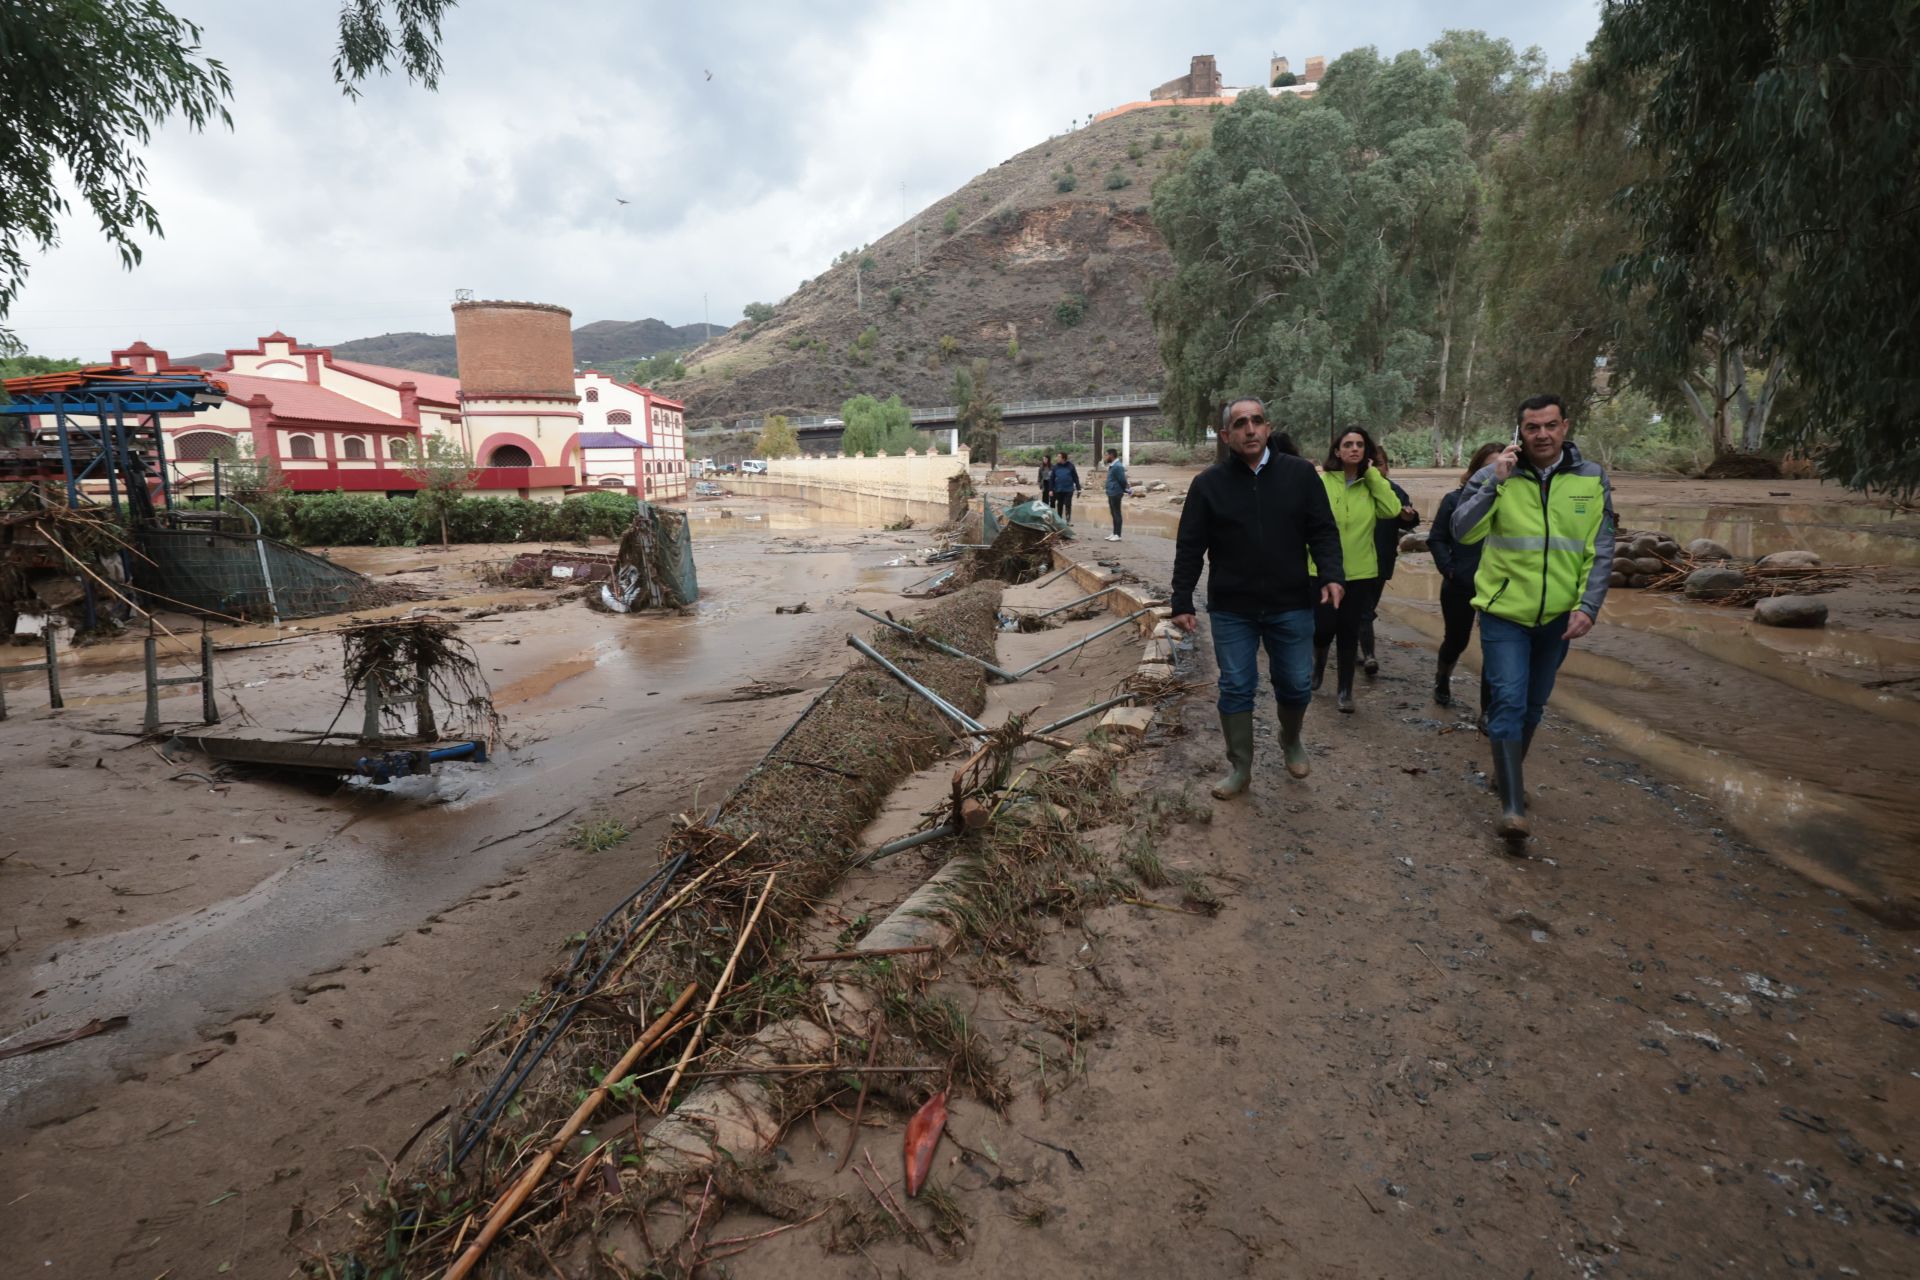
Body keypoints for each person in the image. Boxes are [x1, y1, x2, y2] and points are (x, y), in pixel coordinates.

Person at [1452, 394, 1615, 841]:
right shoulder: (1494, 475)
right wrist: (1496, 484)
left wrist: (1589, 606)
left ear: (1566, 426)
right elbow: (1462, 532)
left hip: (1558, 618)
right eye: (1531, 428)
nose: (1541, 434)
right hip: (1504, 613)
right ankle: (1511, 807)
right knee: (1507, 698)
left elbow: (1599, 550)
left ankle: (1508, 774)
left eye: (1549, 426)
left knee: (1534, 703)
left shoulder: (1592, 478)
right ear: (1518, 433)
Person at [1170, 398, 1343, 796]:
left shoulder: (1300, 475)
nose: (1250, 429)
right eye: (1240, 423)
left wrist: (1332, 574)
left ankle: (1291, 738)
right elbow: (1190, 546)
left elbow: (1322, 530)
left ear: (1268, 427)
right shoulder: (1208, 485)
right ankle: (1241, 769)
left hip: (1292, 603)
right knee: (1235, 686)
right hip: (1233, 607)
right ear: (1227, 435)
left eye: (1257, 421)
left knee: (1297, 684)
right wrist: (1182, 599)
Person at [1310, 427, 1403, 713]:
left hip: (1360, 572)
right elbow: (1306, 523)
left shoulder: (1371, 485)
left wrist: (1373, 474)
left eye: (1360, 445)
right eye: (1347, 444)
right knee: (1323, 629)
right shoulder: (1321, 483)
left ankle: (1345, 691)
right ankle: (1318, 668)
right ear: (1337, 451)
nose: (1354, 449)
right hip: (1322, 571)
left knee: (1349, 631)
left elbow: (1392, 510)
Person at [1427, 441, 1504, 713]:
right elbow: (1436, 539)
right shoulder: (1453, 500)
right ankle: (1442, 678)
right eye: (1488, 467)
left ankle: (1487, 711)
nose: (1494, 473)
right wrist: (1450, 569)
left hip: (1498, 589)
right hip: (1460, 584)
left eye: (1500, 466)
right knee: (1457, 640)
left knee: (1494, 649)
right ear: (1475, 470)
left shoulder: (1512, 502)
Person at [1358, 445, 1420, 675]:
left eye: (1381, 463)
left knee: (1367, 606)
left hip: (1382, 560)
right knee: (1363, 609)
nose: (1376, 468)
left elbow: (1410, 519)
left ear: (1387, 467)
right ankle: (1370, 655)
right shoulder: (1355, 489)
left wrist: (1407, 516)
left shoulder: (1394, 491)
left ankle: (1355, 640)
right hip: (1355, 560)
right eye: (1371, 463)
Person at [1102, 447, 1128, 541]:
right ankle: (1114, 533)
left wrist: (1124, 489)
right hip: (1111, 492)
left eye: (1106, 455)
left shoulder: (1118, 466)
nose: (1105, 457)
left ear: (1111, 455)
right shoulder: (1113, 465)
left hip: (1116, 493)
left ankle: (1118, 535)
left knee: (1117, 513)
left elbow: (1122, 480)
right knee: (1113, 513)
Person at [1050, 451, 1081, 522]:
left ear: (1063, 458)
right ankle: (1059, 519)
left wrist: (1078, 488)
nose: (1057, 458)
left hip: (1069, 489)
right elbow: (1052, 479)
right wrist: (1051, 490)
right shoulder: (1055, 467)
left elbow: (1075, 477)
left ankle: (1068, 520)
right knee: (1059, 505)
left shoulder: (1071, 466)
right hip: (1059, 489)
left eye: (1058, 457)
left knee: (1068, 504)